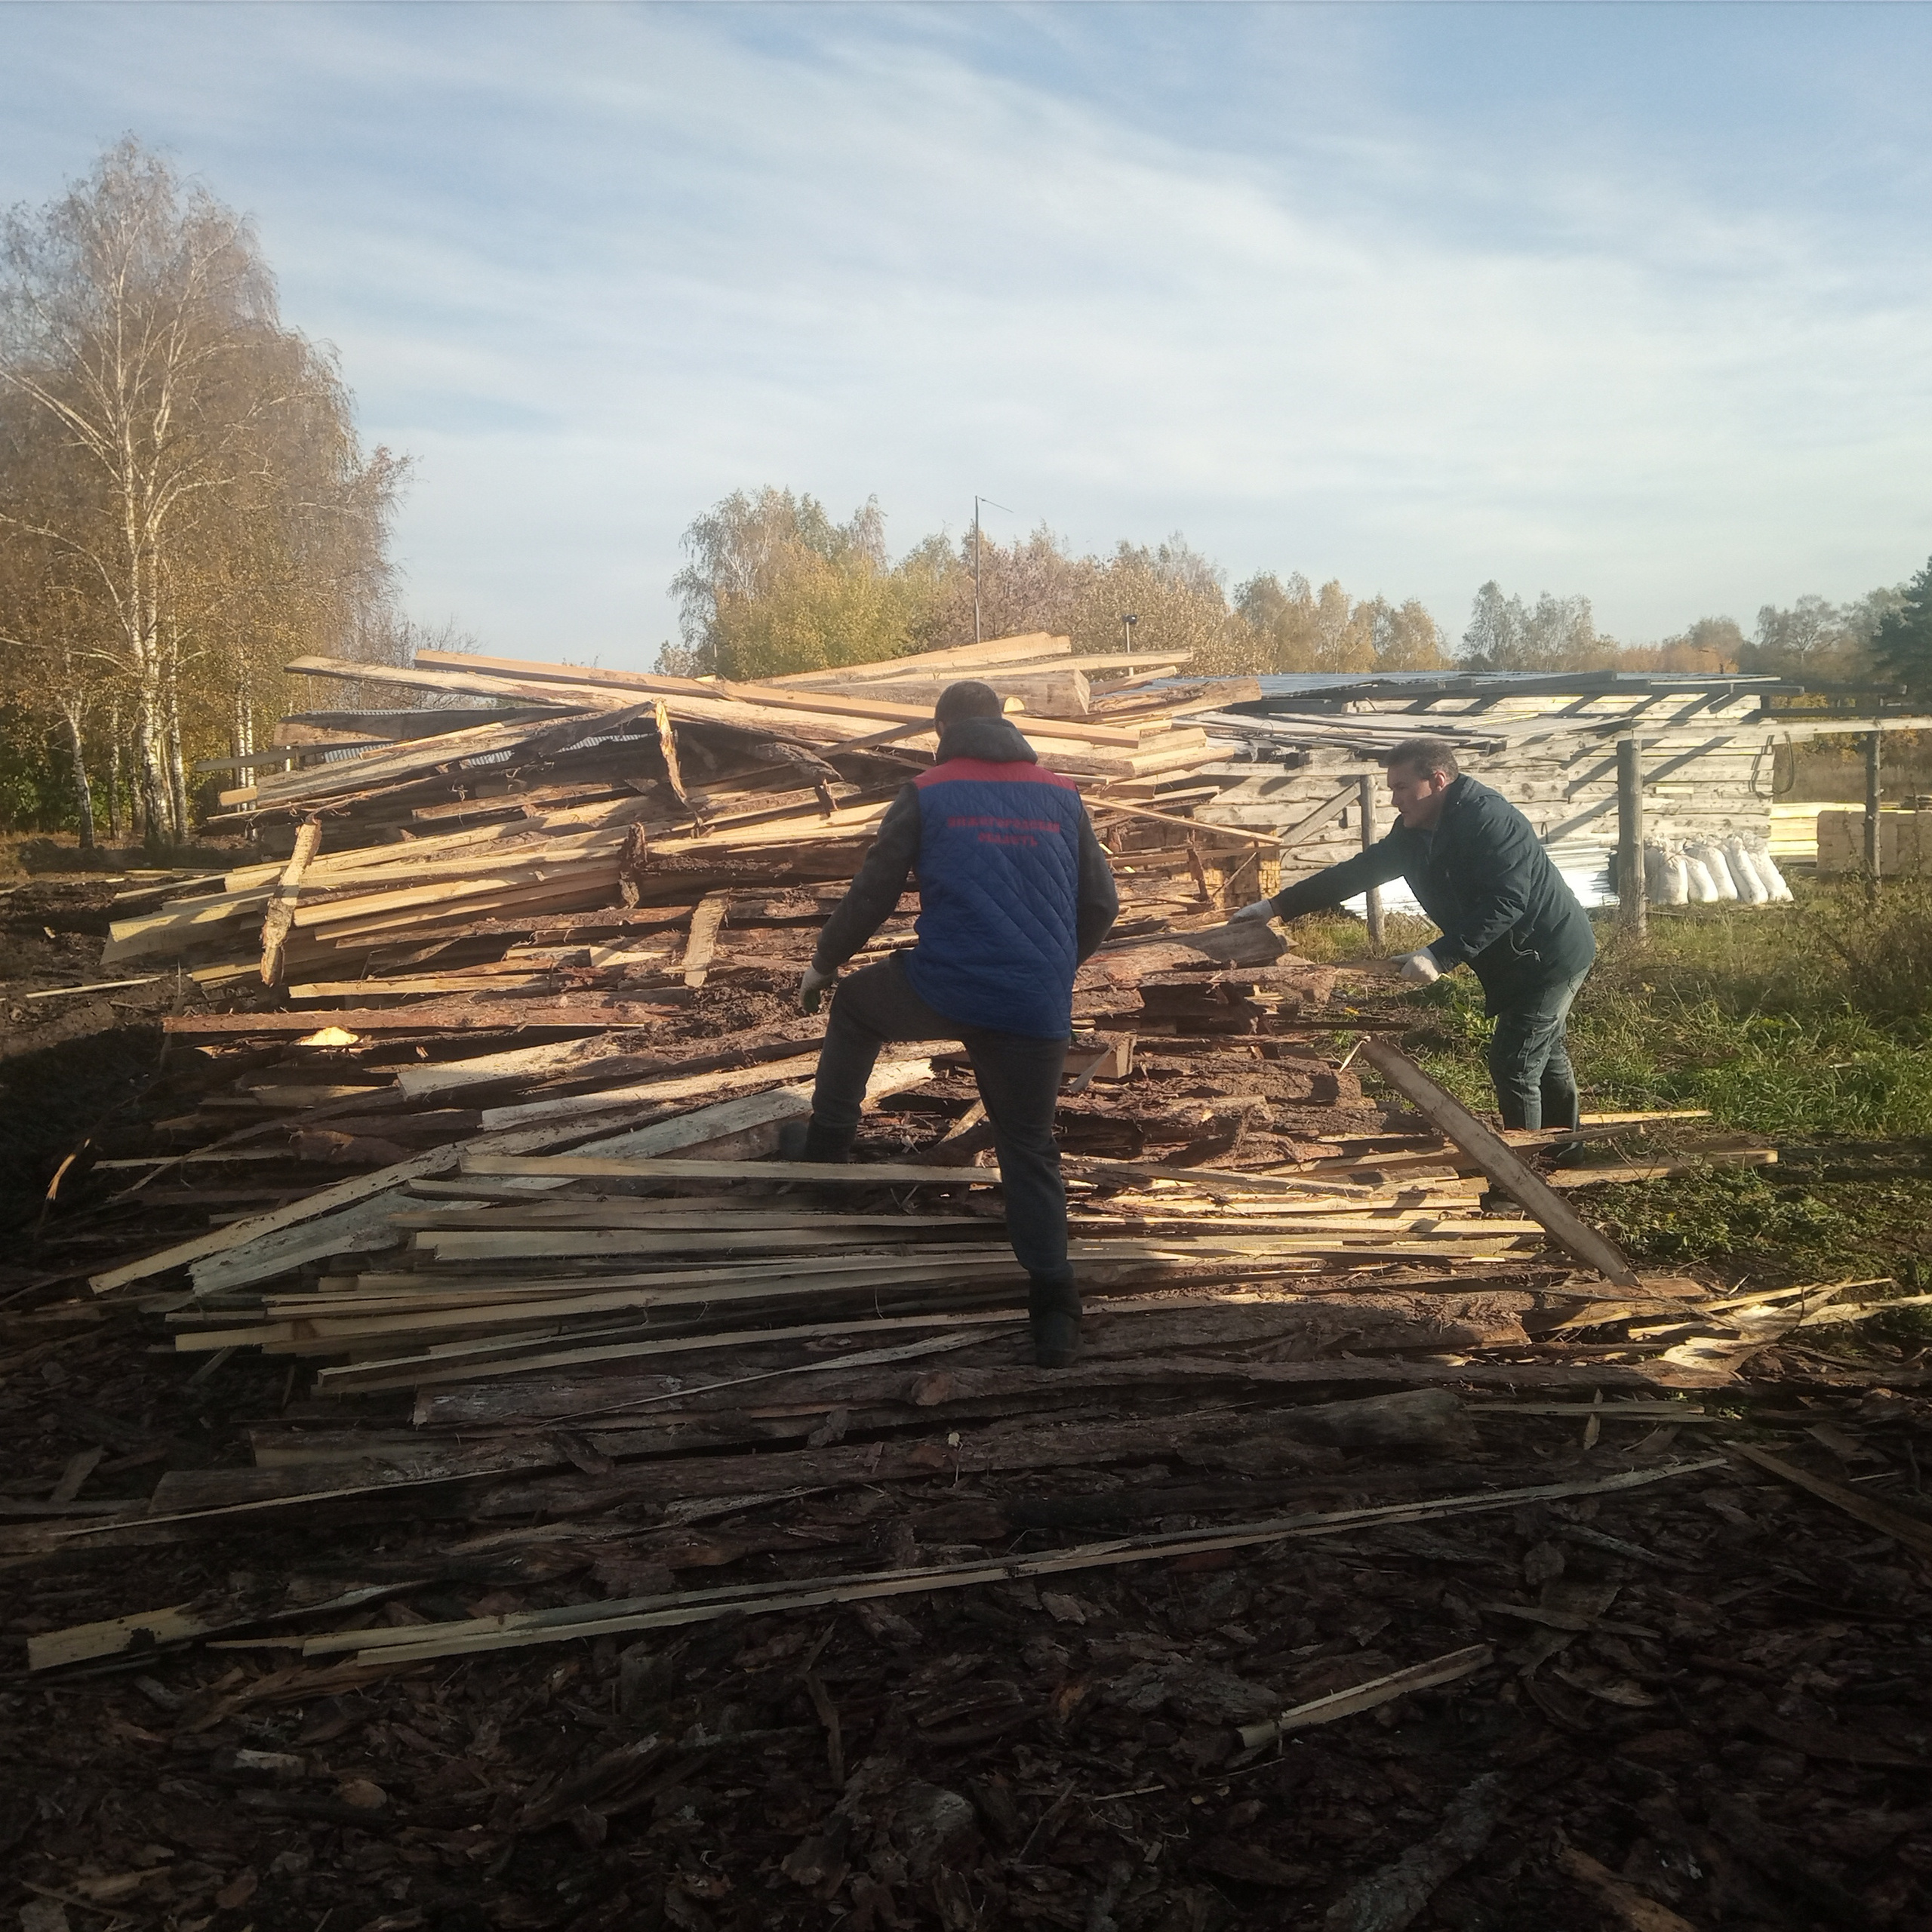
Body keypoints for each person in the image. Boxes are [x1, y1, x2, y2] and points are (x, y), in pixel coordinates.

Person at [792, 678, 1120, 1367]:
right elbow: (1103, 905)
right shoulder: (1064, 794)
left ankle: (824, 1156)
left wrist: (824, 962)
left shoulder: (929, 790)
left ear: (942, 728)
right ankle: (1055, 1304)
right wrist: (1053, 968)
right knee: (1028, 1148)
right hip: (1034, 1003)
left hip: (944, 987)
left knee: (854, 1007)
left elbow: (874, 889)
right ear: (1004, 723)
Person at [1235, 738, 1595, 1132]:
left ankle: (1523, 1179)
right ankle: (1561, 1154)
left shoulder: (1490, 821)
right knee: (1545, 1055)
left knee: (1516, 1064)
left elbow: (1507, 902)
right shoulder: (1414, 830)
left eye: (1402, 787)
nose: (1395, 800)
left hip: (1548, 954)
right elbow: (1357, 873)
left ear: (1437, 780)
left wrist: (1441, 955)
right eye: (1392, 788)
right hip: (1513, 957)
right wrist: (1276, 907)